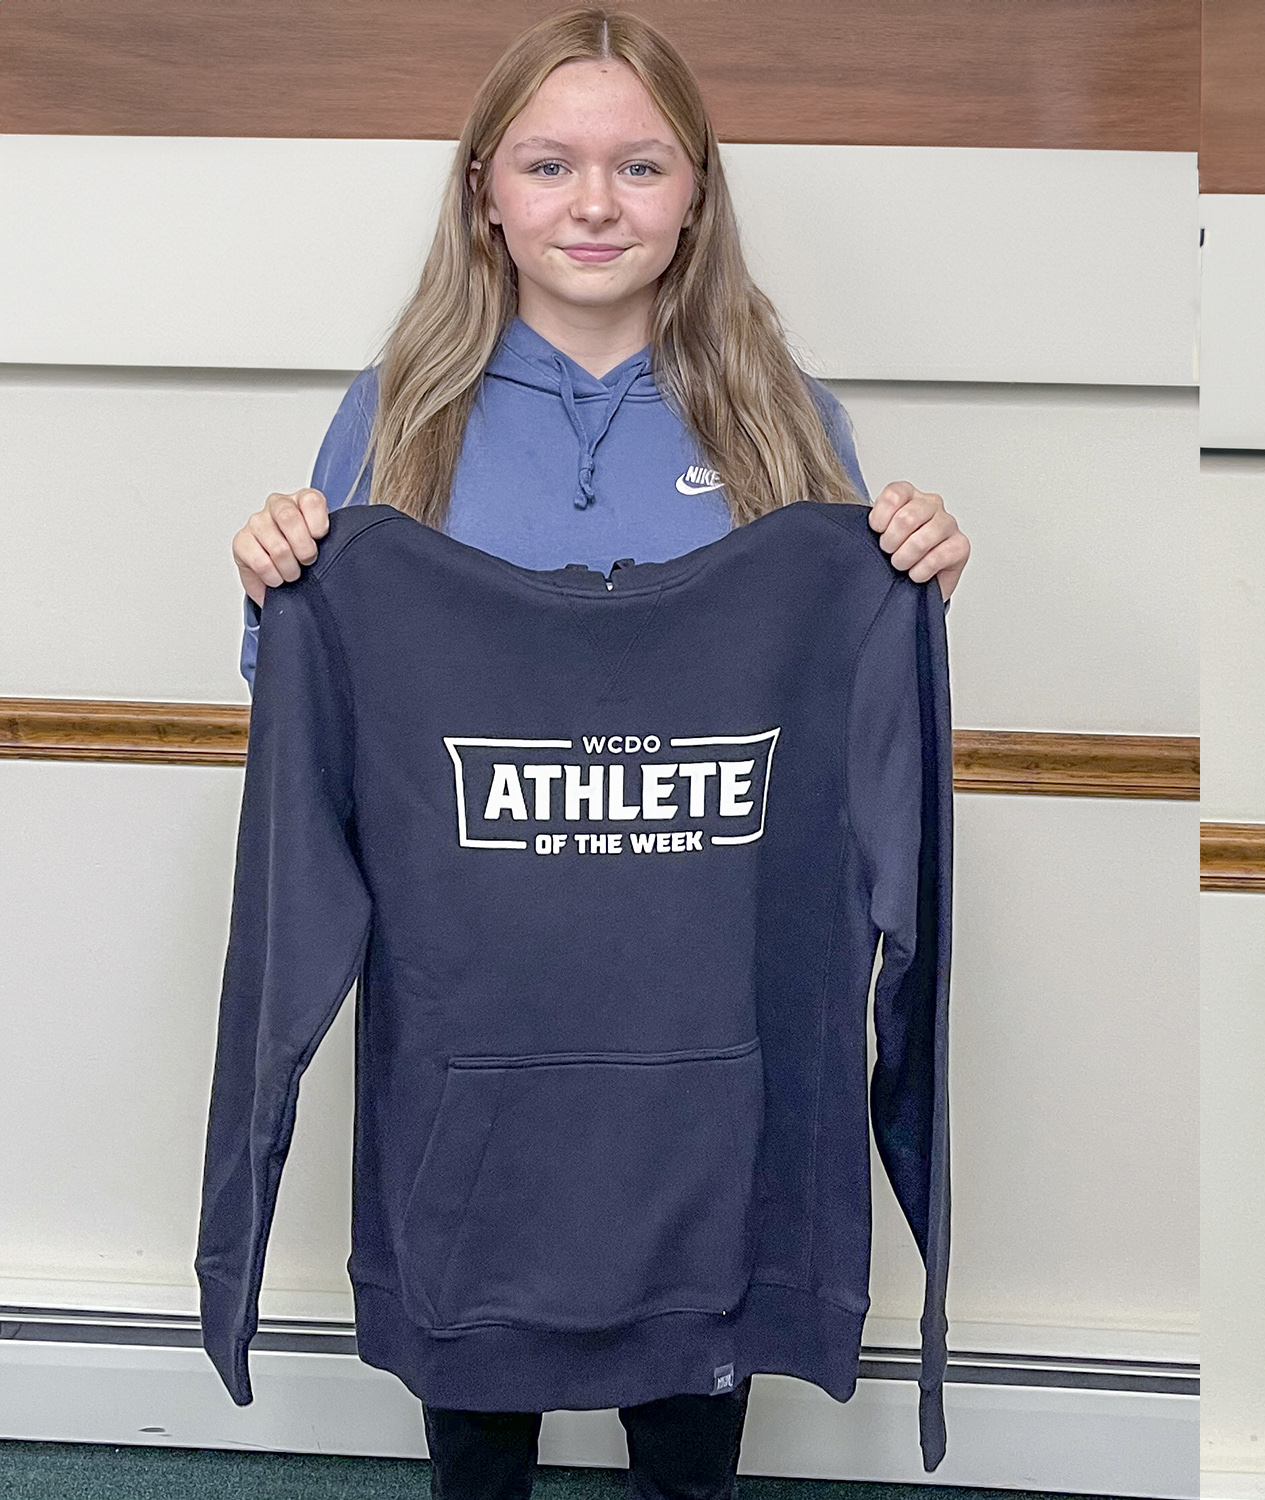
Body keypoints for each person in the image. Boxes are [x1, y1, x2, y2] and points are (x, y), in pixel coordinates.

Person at [222, 10, 966, 1498]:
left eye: (640, 165)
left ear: (697, 190)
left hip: (713, 1057)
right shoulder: (393, 426)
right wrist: (272, 585)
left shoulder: (780, 423)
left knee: (693, 1437)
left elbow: (838, 721)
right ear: (483, 187)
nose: (594, 203)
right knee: (476, 1438)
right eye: (551, 163)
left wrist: (913, 586)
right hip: (471, 1050)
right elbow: (315, 720)